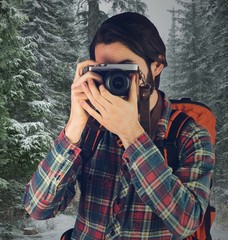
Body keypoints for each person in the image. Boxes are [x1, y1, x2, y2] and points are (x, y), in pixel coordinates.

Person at [23, 12, 214, 239]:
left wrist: (132, 135)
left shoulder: (189, 135)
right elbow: (38, 208)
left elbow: (186, 222)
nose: (115, 79)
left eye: (126, 69)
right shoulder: (91, 129)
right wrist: (74, 124)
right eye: (105, 70)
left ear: (157, 65)